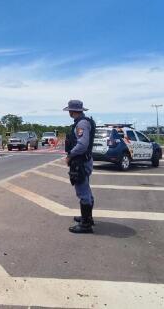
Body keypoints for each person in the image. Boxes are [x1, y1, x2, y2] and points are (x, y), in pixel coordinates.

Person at [63, 99, 96, 234]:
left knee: (82, 192)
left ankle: (86, 225)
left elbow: (82, 145)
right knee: (86, 189)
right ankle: (87, 217)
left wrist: (70, 155)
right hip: (84, 160)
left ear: (71, 111)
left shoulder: (81, 124)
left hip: (80, 162)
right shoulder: (84, 122)